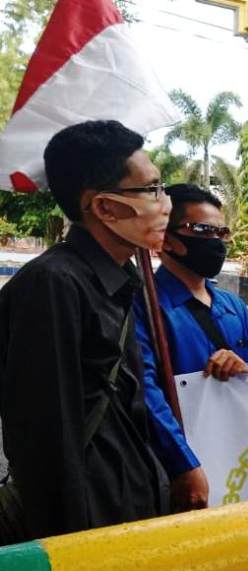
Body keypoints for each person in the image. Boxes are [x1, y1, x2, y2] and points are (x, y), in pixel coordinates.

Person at [0, 120, 170, 540]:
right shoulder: (54, 286)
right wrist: (75, 555)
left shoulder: (120, 278)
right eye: (150, 189)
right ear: (104, 207)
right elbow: (46, 440)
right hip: (87, 535)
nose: (163, 202)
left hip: (130, 511)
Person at [134, 183, 248, 512]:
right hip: (178, 472)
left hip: (245, 458)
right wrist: (184, 465)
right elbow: (146, 393)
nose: (214, 242)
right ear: (166, 239)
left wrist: (247, 370)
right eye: (201, 230)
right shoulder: (143, 305)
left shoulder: (233, 306)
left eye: (221, 232)